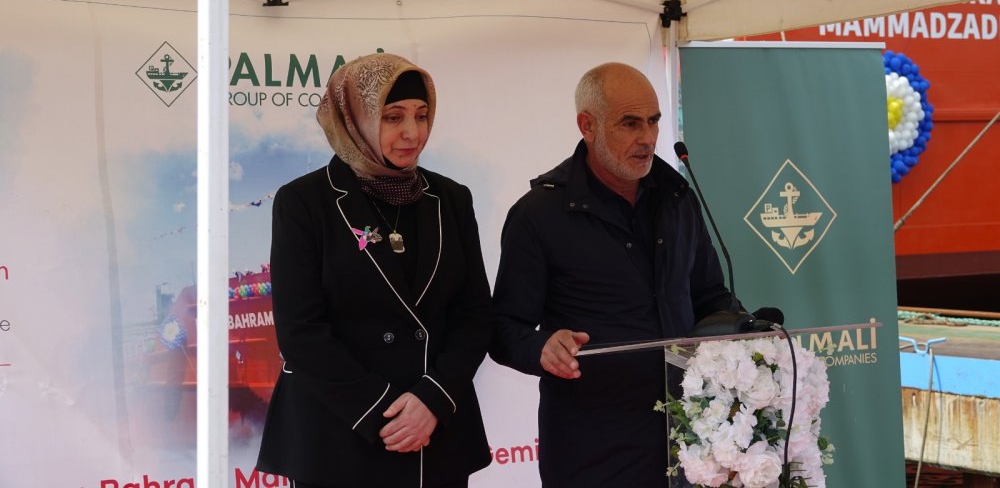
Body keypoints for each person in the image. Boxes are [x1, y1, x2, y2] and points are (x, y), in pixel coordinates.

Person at [489, 62, 739, 488]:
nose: (648, 138)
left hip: (689, 441)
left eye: (653, 121)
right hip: (593, 452)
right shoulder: (539, 215)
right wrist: (542, 347)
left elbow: (710, 297)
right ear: (587, 126)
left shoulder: (678, 199)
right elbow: (502, 329)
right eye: (630, 123)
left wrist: (747, 332)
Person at [257, 53, 493, 488]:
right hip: (338, 437)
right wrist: (383, 411)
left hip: (435, 433)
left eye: (421, 115)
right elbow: (300, 331)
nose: (412, 133)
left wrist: (432, 399)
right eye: (392, 117)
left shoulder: (451, 199)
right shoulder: (304, 202)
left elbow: (475, 314)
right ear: (355, 119)